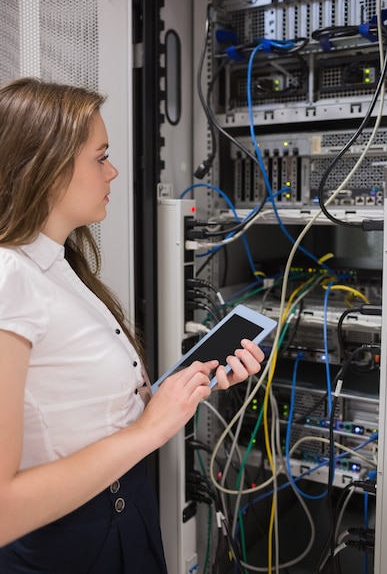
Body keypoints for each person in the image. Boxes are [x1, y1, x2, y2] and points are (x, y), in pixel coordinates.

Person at [0, 77, 264, 574]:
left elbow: (79, 411)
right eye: (100, 157)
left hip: (124, 514)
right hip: (69, 545)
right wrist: (151, 429)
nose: (114, 171)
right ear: (48, 168)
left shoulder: (60, 265)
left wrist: (181, 390)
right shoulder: (9, 277)